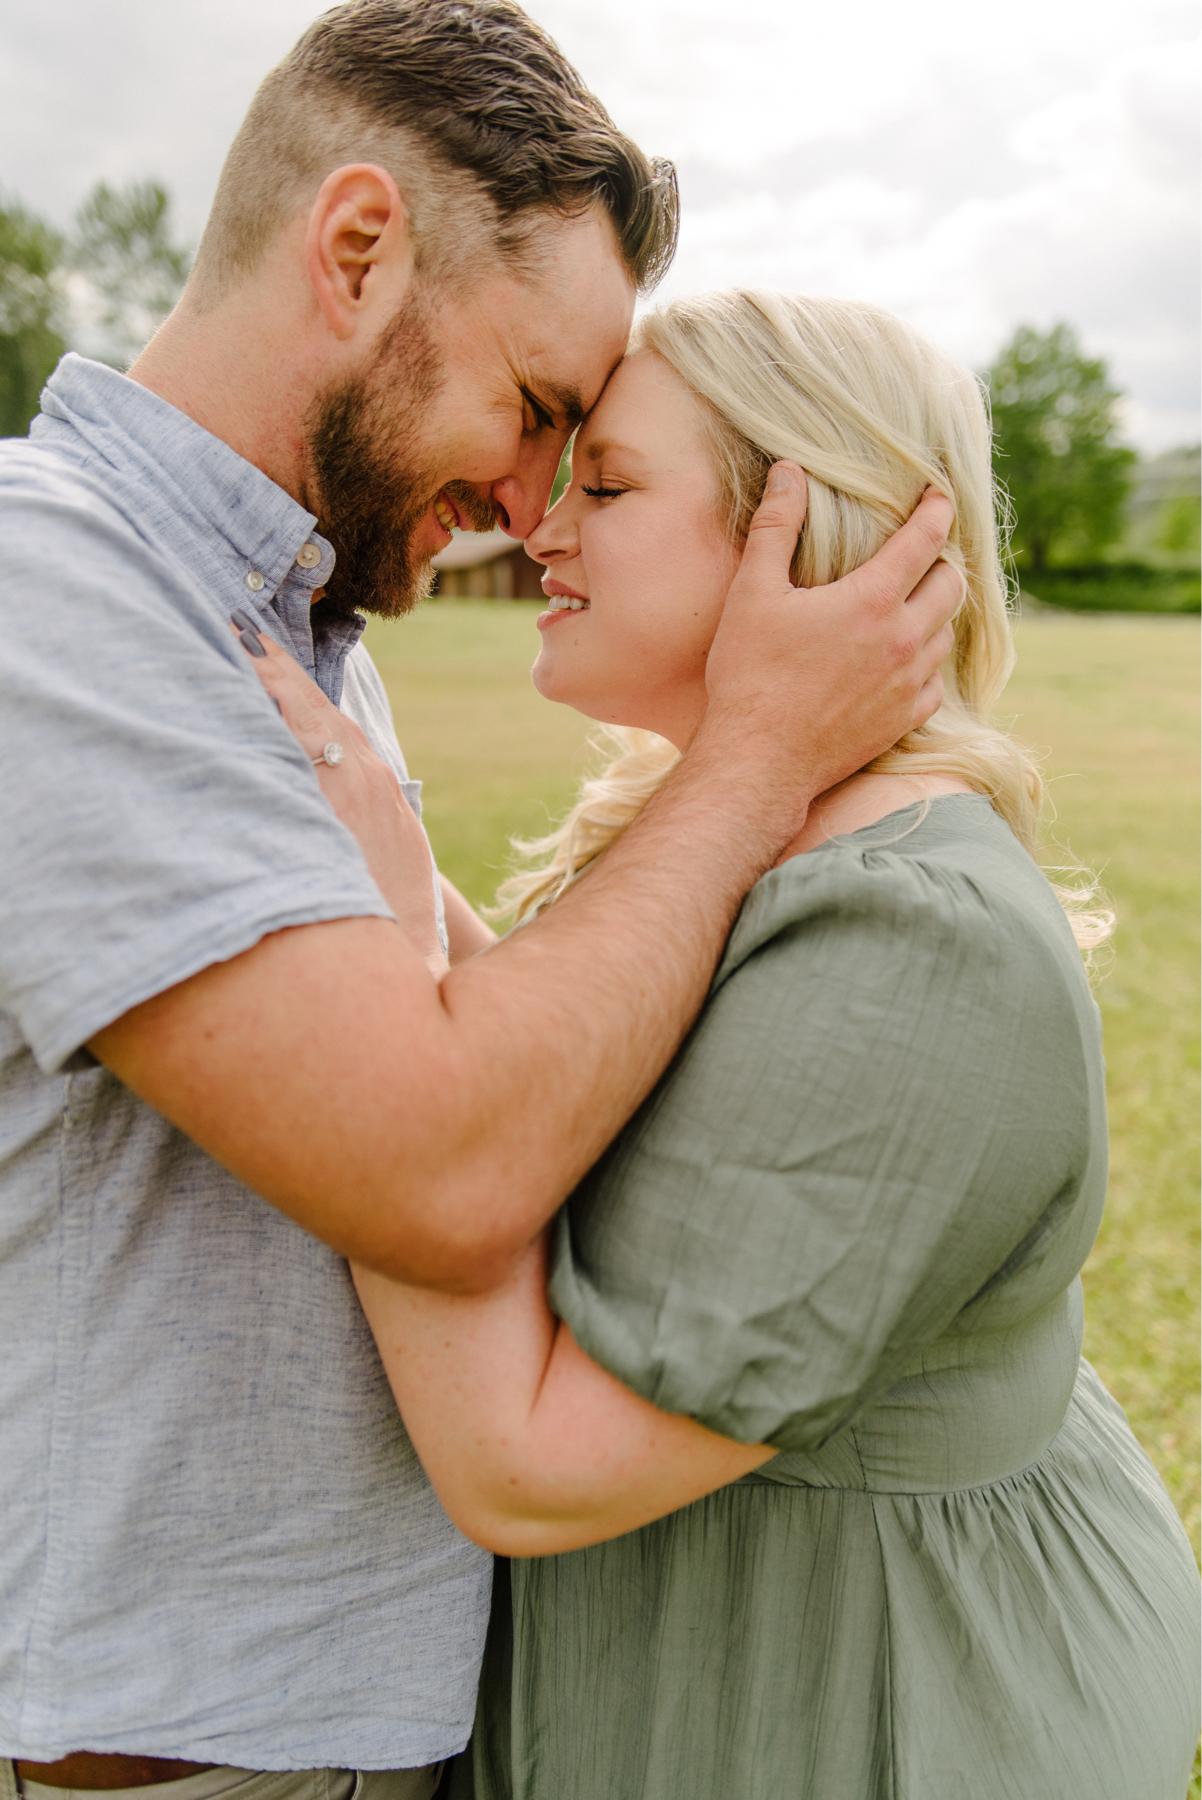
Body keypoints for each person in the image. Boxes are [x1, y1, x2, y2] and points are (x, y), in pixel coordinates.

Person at [0, 7, 964, 1800]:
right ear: (356, 249)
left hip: (347, 1736)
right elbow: (441, 1163)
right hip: (193, 1764)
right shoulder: (50, 590)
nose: (529, 506)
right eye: (533, 411)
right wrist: (753, 759)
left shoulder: (293, 622)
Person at [248, 290, 1202, 1800]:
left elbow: (526, 1465)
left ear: (807, 535)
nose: (541, 534)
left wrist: (383, 966)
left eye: (608, 489)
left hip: (866, 1704)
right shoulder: (752, 831)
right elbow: (621, 1103)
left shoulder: (917, 951)